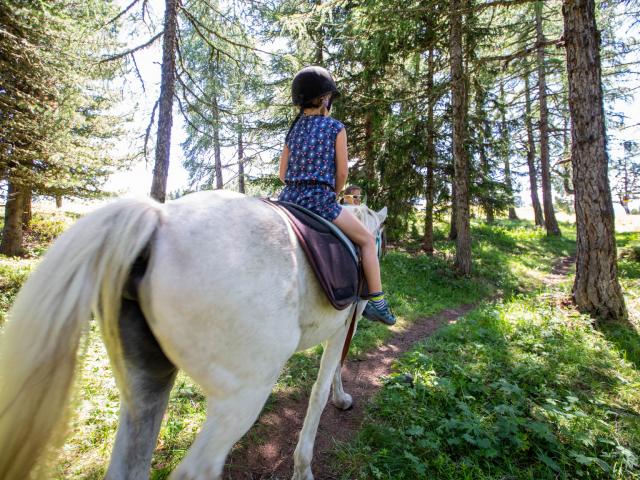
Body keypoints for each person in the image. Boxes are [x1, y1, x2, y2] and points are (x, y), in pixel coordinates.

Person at [278, 66, 395, 326]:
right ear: (324, 99)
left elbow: (281, 174)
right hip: (320, 201)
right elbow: (342, 172)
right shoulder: (335, 127)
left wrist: (297, 185)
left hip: (287, 200)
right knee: (366, 240)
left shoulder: (293, 131)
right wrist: (333, 191)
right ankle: (377, 302)